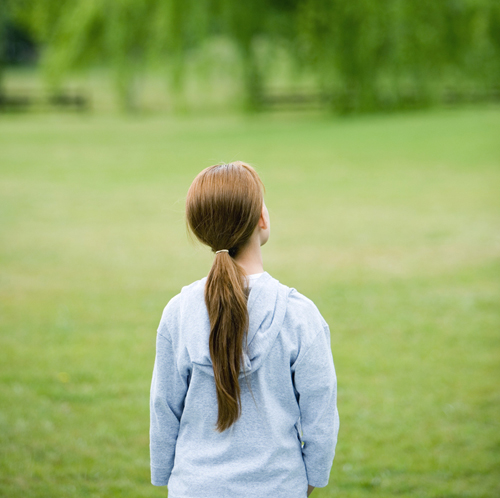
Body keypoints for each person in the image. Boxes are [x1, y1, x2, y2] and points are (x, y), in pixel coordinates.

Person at [150, 161, 339, 498]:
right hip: (278, 487)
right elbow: (320, 416)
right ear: (261, 219)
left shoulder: (178, 312)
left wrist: (169, 477)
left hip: (194, 488)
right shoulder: (300, 315)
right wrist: (310, 481)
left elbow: (164, 408)